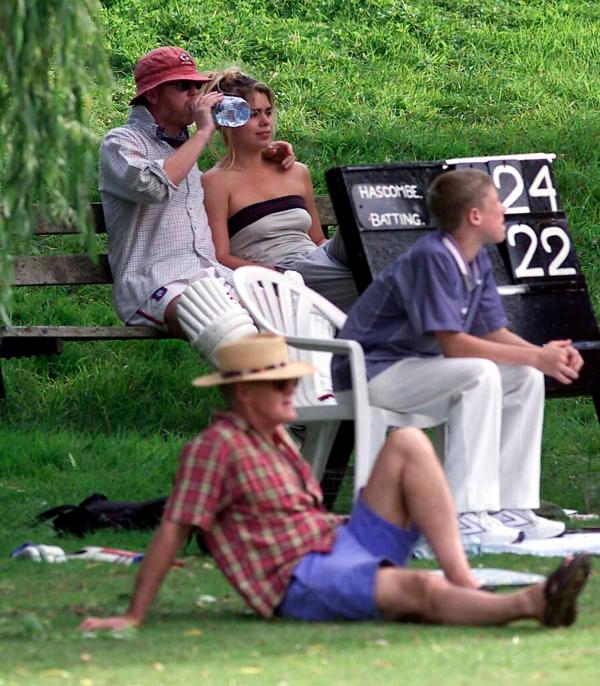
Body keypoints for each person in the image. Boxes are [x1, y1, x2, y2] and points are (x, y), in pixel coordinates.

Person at [79, 333, 591, 630]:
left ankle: (461, 573)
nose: (290, 390)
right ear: (243, 395)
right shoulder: (215, 448)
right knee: (413, 586)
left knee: (409, 442)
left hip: (335, 540)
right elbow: (173, 528)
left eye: (290, 379)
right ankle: (530, 604)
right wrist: (133, 615)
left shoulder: (276, 436)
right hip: (297, 578)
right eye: (277, 384)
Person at [332, 168, 584, 545]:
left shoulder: (476, 258)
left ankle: (511, 506)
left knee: (524, 376)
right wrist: (537, 358)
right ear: (475, 216)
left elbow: (492, 331)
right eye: (498, 205)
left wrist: (542, 357)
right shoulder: (433, 257)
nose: (504, 212)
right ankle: (464, 514)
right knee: (480, 373)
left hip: (415, 368)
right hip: (371, 372)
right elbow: (454, 345)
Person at [98, 47, 294, 356]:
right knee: (227, 327)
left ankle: (317, 401)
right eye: (182, 86)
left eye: (196, 85)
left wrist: (265, 154)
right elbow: (152, 187)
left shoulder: (185, 146)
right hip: (157, 283)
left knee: (293, 313)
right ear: (152, 95)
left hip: (212, 275)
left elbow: (233, 158)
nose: (194, 93)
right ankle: (264, 403)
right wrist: (203, 132)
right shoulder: (120, 142)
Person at [201, 68, 359, 312]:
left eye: (268, 112)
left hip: (318, 262)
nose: (265, 122)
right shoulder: (216, 182)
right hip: (282, 274)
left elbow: (317, 240)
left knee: (364, 240)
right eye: (253, 114)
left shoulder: (295, 171)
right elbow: (220, 256)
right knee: (378, 277)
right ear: (227, 120)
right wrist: (270, 274)